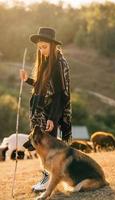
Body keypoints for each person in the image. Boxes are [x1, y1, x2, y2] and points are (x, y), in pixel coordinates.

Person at [20, 27, 72, 192]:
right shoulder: (45, 62)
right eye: (39, 47)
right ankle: (46, 176)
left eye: (44, 47)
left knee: (49, 147)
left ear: (53, 45)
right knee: (41, 147)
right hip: (40, 112)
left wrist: (52, 117)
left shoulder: (59, 64)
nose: (41, 50)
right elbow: (42, 87)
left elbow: (60, 95)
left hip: (50, 113)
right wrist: (27, 79)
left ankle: (50, 178)